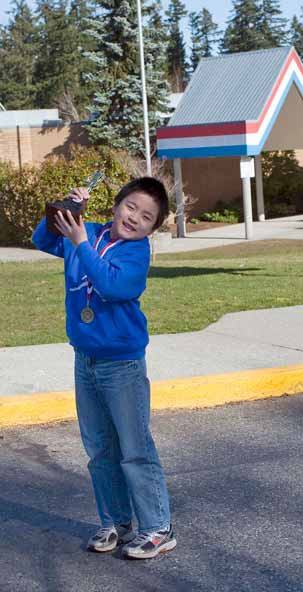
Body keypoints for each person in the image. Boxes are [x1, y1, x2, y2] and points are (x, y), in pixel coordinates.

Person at [32, 177, 176, 560]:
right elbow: (43, 239)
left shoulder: (136, 253)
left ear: (152, 228)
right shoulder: (88, 231)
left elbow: (113, 287)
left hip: (122, 363)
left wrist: (80, 244)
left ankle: (157, 527)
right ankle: (116, 521)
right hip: (86, 358)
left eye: (147, 217)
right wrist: (65, 208)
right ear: (116, 204)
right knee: (98, 449)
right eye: (131, 207)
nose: (135, 219)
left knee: (133, 448)